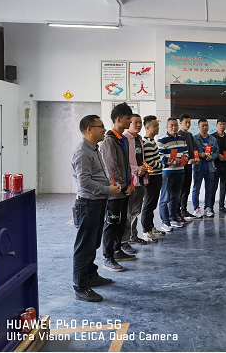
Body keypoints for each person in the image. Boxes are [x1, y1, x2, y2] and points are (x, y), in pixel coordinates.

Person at [71, 115, 120, 302]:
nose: (104, 129)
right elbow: (84, 182)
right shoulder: (82, 152)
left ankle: (91, 275)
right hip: (88, 204)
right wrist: (107, 189)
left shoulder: (94, 149)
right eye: (101, 126)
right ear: (89, 130)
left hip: (97, 203)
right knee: (84, 247)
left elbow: (97, 175)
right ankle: (80, 287)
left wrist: (109, 187)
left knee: (93, 243)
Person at [100, 103, 136, 273]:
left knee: (121, 223)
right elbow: (111, 168)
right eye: (128, 118)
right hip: (115, 192)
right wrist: (121, 186)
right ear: (119, 119)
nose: (130, 121)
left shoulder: (123, 140)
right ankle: (107, 257)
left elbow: (126, 166)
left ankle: (117, 250)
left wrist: (130, 184)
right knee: (112, 224)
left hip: (125, 189)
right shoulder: (109, 141)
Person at [157, 118, 194, 232]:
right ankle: (165, 222)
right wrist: (170, 161)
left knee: (175, 197)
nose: (174, 127)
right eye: (171, 125)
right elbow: (159, 156)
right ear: (167, 127)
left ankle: (173, 219)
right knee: (165, 198)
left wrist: (185, 158)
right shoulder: (162, 140)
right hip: (167, 173)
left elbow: (186, 152)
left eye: (175, 125)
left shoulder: (182, 139)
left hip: (180, 171)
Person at [121, 114, 150, 251]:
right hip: (130, 181)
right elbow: (123, 162)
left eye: (140, 122)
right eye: (135, 122)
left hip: (141, 179)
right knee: (127, 212)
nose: (139, 125)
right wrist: (135, 169)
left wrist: (145, 168)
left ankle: (133, 236)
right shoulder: (124, 139)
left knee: (136, 211)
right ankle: (124, 242)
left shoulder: (139, 139)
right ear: (129, 123)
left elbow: (140, 158)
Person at [140, 115, 166, 242]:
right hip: (152, 177)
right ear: (147, 127)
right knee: (149, 204)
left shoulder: (151, 141)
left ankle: (151, 227)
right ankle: (146, 231)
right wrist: (165, 165)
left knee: (153, 203)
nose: (157, 128)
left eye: (158, 126)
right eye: (155, 126)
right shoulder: (147, 143)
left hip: (157, 175)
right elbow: (150, 163)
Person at [192, 119, 219, 218]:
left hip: (210, 168)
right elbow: (192, 151)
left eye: (206, 125)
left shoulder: (213, 139)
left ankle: (208, 208)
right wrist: (199, 154)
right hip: (198, 168)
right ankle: (196, 209)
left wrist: (211, 157)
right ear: (198, 127)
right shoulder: (194, 138)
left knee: (209, 190)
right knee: (196, 190)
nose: (205, 127)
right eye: (203, 126)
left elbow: (216, 152)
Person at [177, 114, 196, 221]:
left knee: (186, 189)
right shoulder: (179, 135)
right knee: (180, 190)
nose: (188, 124)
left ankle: (184, 210)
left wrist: (194, 158)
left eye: (189, 122)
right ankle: (178, 212)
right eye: (186, 122)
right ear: (180, 123)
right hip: (181, 167)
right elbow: (180, 152)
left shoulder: (190, 135)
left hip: (189, 166)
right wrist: (187, 160)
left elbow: (192, 150)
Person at [211, 117, 226, 214]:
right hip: (215, 165)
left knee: (223, 187)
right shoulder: (212, 137)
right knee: (213, 187)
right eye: (220, 124)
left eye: (224, 124)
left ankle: (221, 206)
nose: (222, 126)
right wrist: (218, 155)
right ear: (217, 125)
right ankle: (210, 207)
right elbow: (210, 150)